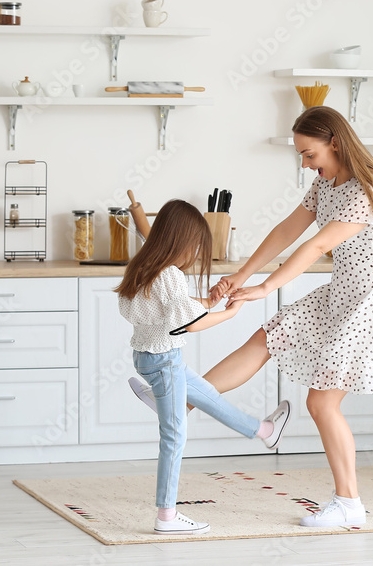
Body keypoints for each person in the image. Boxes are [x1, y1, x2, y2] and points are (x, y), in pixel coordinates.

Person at [205, 105, 373, 528]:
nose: (306, 165)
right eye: (302, 156)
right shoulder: (327, 185)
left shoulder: (369, 189)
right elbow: (288, 231)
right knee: (267, 337)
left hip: (371, 303)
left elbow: (315, 247)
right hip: (340, 294)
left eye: (310, 155)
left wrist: (267, 288)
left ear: (335, 143)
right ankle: (185, 396)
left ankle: (349, 505)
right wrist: (242, 274)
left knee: (321, 400)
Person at [116, 198, 291, 536]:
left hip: (150, 357)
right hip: (165, 362)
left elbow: (171, 309)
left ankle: (264, 432)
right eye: (195, 246)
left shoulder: (143, 264)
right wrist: (229, 313)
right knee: (174, 435)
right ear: (180, 241)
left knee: (207, 395)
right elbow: (187, 324)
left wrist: (208, 302)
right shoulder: (170, 275)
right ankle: (166, 516)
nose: (196, 254)